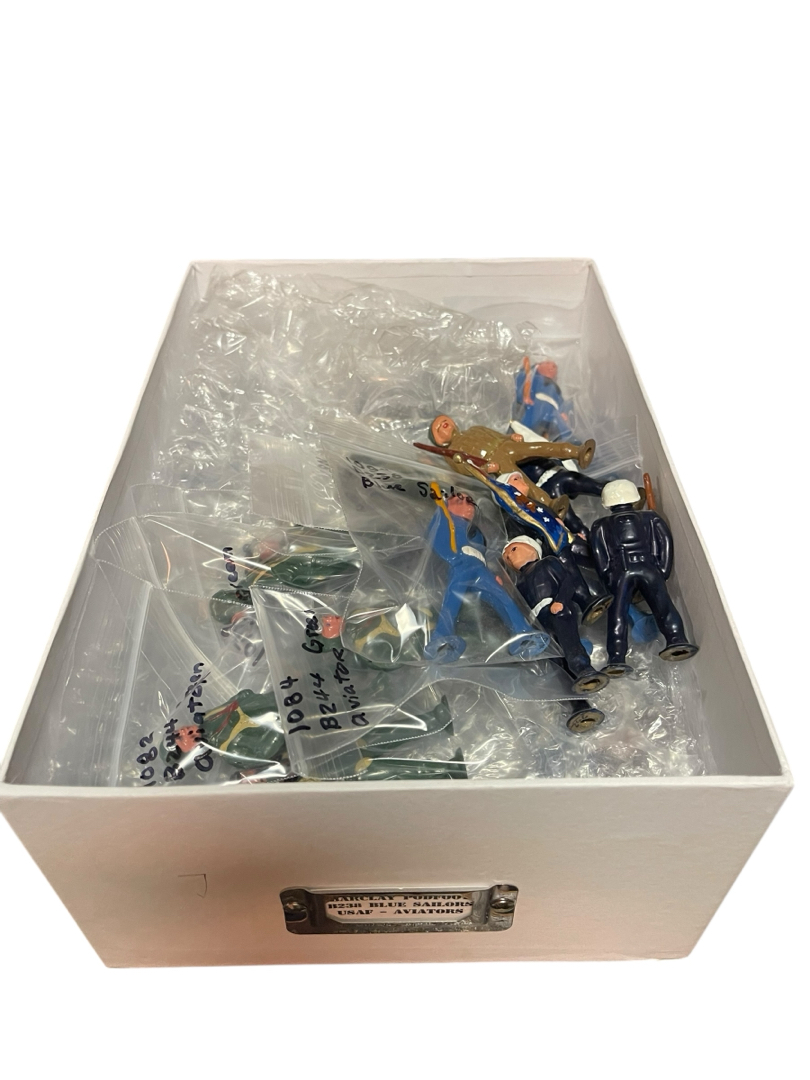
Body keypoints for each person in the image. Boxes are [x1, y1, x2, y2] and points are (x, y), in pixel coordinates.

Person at [424, 489, 549, 664]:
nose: (468, 504)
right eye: (459, 500)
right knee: (452, 600)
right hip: (460, 565)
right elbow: (435, 532)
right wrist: (441, 504)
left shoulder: (475, 533)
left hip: (480, 567)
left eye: (470, 501)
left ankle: (522, 630)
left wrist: (494, 574)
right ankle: (441, 635)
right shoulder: (446, 520)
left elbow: (482, 552)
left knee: (503, 597)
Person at [590, 479, 699, 675]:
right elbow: (665, 542)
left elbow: (600, 555)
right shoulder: (650, 518)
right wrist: (662, 568)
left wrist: (608, 576)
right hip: (647, 568)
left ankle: (616, 657)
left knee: (617, 615)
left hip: (622, 572)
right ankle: (676, 639)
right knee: (663, 606)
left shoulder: (601, 525)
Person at [502, 536, 609, 696]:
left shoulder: (546, 563)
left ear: (532, 548)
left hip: (557, 610)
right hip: (539, 622)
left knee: (569, 642)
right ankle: (576, 701)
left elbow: (568, 582)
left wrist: (561, 601)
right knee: (556, 661)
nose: (510, 556)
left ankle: (584, 668)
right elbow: (519, 607)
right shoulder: (519, 583)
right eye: (506, 558)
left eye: (513, 549)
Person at [427, 414, 594, 515]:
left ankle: (577, 452)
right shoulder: (452, 455)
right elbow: (467, 469)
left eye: (444, 420)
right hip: (495, 462)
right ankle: (550, 503)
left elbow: (496, 435)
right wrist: (486, 469)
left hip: (506, 446)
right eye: (438, 428)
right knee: (524, 483)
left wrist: (510, 437)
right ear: (439, 441)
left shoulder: (474, 429)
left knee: (540, 447)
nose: (443, 425)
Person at [514, 357, 574, 440]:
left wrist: (562, 412)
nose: (552, 366)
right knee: (530, 425)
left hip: (553, 412)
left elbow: (560, 400)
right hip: (537, 406)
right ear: (538, 366)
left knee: (560, 429)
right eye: (547, 363)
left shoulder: (555, 388)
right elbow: (523, 384)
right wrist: (525, 396)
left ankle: (568, 441)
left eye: (555, 366)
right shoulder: (535, 379)